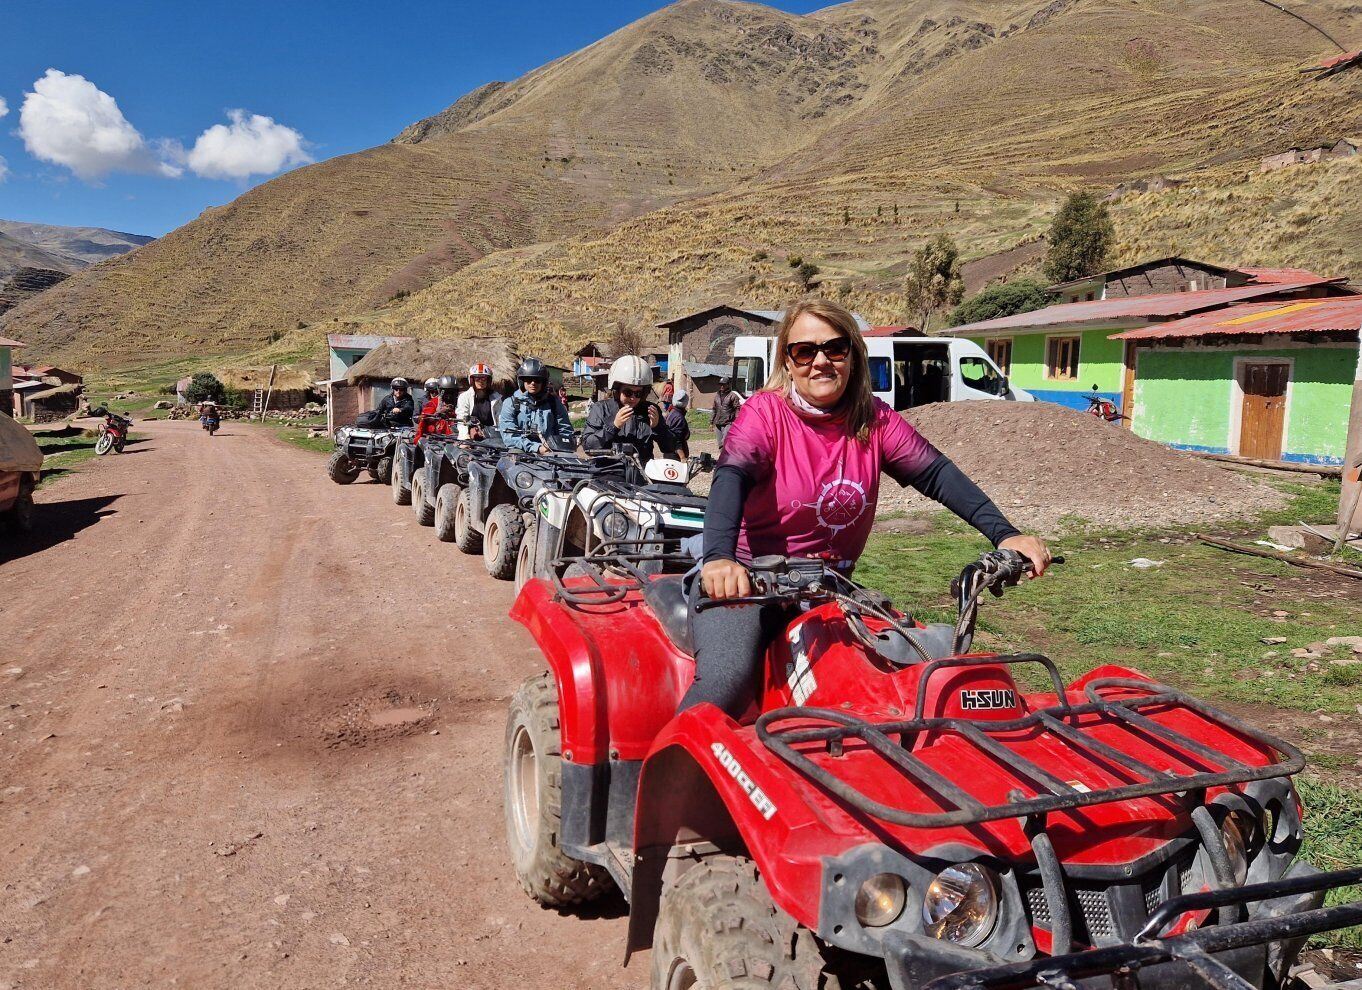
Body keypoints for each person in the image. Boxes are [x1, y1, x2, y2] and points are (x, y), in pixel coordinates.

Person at [679, 299, 1051, 718]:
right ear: (787, 360)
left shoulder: (873, 420)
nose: (820, 361)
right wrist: (719, 560)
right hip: (748, 583)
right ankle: (664, 776)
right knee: (725, 684)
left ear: (853, 354)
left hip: (828, 589)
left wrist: (1005, 533)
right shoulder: (764, 414)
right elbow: (731, 476)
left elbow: (937, 475)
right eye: (804, 351)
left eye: (835, 348)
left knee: (896, 683)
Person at [582, 355, 676, 465]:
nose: (633, 398)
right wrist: (613, 427)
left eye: (638, 393)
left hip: (642, 475)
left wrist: (658, 428)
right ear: (617, 390)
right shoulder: (601, 409)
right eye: (628, 392)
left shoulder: (650, 411)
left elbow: (671, 447)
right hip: (608, 473)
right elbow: (588, 446)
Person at [498, 358, 575, 454]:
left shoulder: (553, 403)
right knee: (515, 454)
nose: (533, 383)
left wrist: (562, 445)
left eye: (537, 380)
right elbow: (509, 436)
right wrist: (537, 448)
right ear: (522, 381)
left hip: (551, 452)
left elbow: (565, 430)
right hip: (522, 451)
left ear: (544, 382)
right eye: (529, 379)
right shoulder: (511, 403)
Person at [457, 363, 503, 440]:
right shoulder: (464, 397)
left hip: (491, 436)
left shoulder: (497, 398)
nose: (480, 382)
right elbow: (462, 419)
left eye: (484, 379)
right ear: (472, 380)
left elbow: (500, 419)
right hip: (471, 436)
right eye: (477, 379)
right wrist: (465, 438)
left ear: (488, 381)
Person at [414, 375, 458, 440]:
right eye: (446, 391)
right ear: (440, 391)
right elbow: (424, 419)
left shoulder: (461, 402)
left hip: (457, 438)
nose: (449, 395)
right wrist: (439, 413)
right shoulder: (433, 403)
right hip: (436, 438)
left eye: (452, 391)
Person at [710, 377, 743, 449]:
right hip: (718, 422)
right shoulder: (717, 396)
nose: (722, 386)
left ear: (728, 385)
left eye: (724, 384)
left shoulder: (733, 396)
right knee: (720, 445)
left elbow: (737, 408)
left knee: (725, 441)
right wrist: (711, 422)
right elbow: (714, 409)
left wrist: (736, 420)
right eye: (720, 384)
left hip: (728, 423)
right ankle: (722, 459)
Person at [664, 389, 691, 460]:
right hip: (675, 457)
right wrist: (682, 457)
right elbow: (676, 440)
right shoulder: (678, 417)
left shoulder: (672, 412)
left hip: (669, 453)